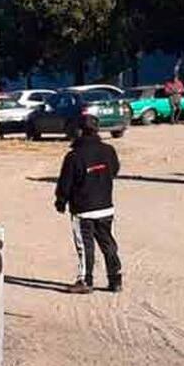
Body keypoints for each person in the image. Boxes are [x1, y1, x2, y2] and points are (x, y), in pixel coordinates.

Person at [55, 115, 122, 295]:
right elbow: (115, 170)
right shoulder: (108, 150)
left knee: (85, 246)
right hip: (106, 206)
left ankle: (86, 280)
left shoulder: (74, 156)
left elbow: (65, 183)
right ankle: (115, 279)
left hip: (83, 210)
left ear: (79, 132)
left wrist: (61, 201)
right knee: (108, 243)